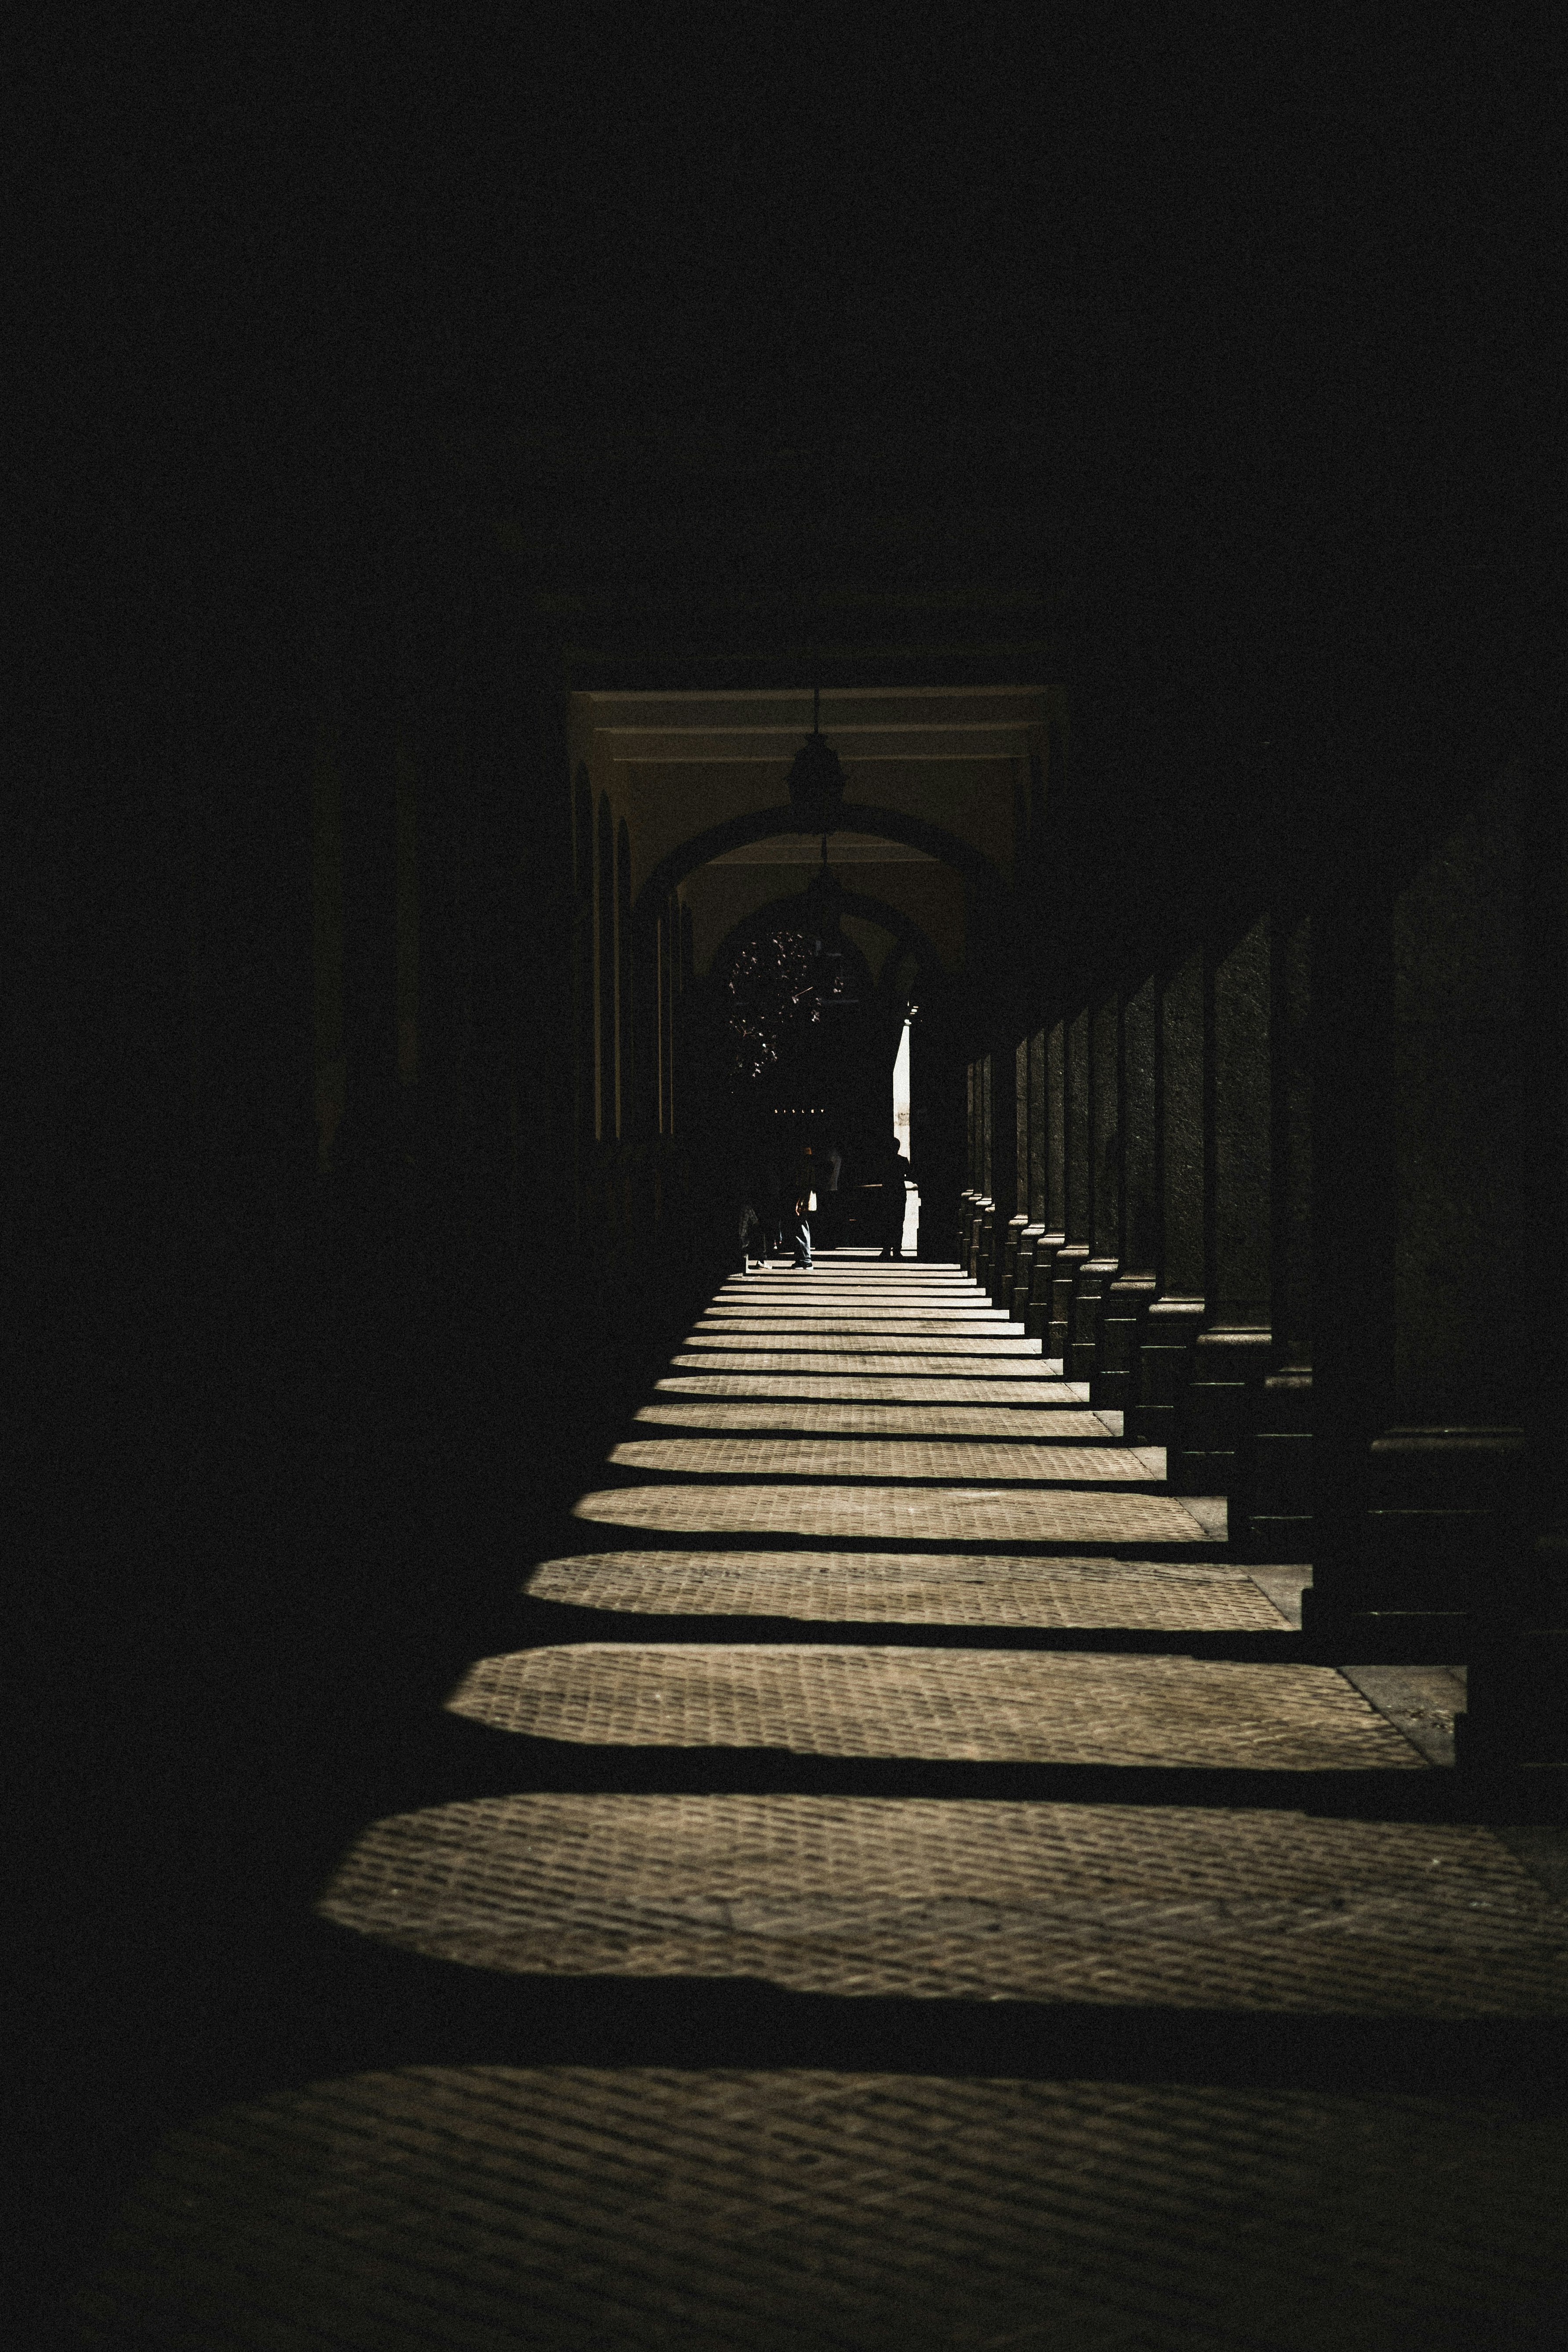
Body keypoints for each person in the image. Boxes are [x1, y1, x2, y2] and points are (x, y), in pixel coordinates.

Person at [878, 1131, 912, 1259]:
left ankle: (886, 1249)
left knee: (887, 1222)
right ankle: (897, 1250)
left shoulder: (884, 1161)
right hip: (899, 1193)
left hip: (887, 1192)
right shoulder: (903, 1161)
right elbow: (910, 1176)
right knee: (898, 1222)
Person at [785, 1141, 815, 1269]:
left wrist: (798, 1202)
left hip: (803, 1201)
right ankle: (801, 1259)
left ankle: (805, 1260)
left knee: (801, 1228)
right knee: (801, 1228)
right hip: (808, 1200)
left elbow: (802, 1186)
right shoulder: (811, 1166)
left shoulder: (804, 1168)